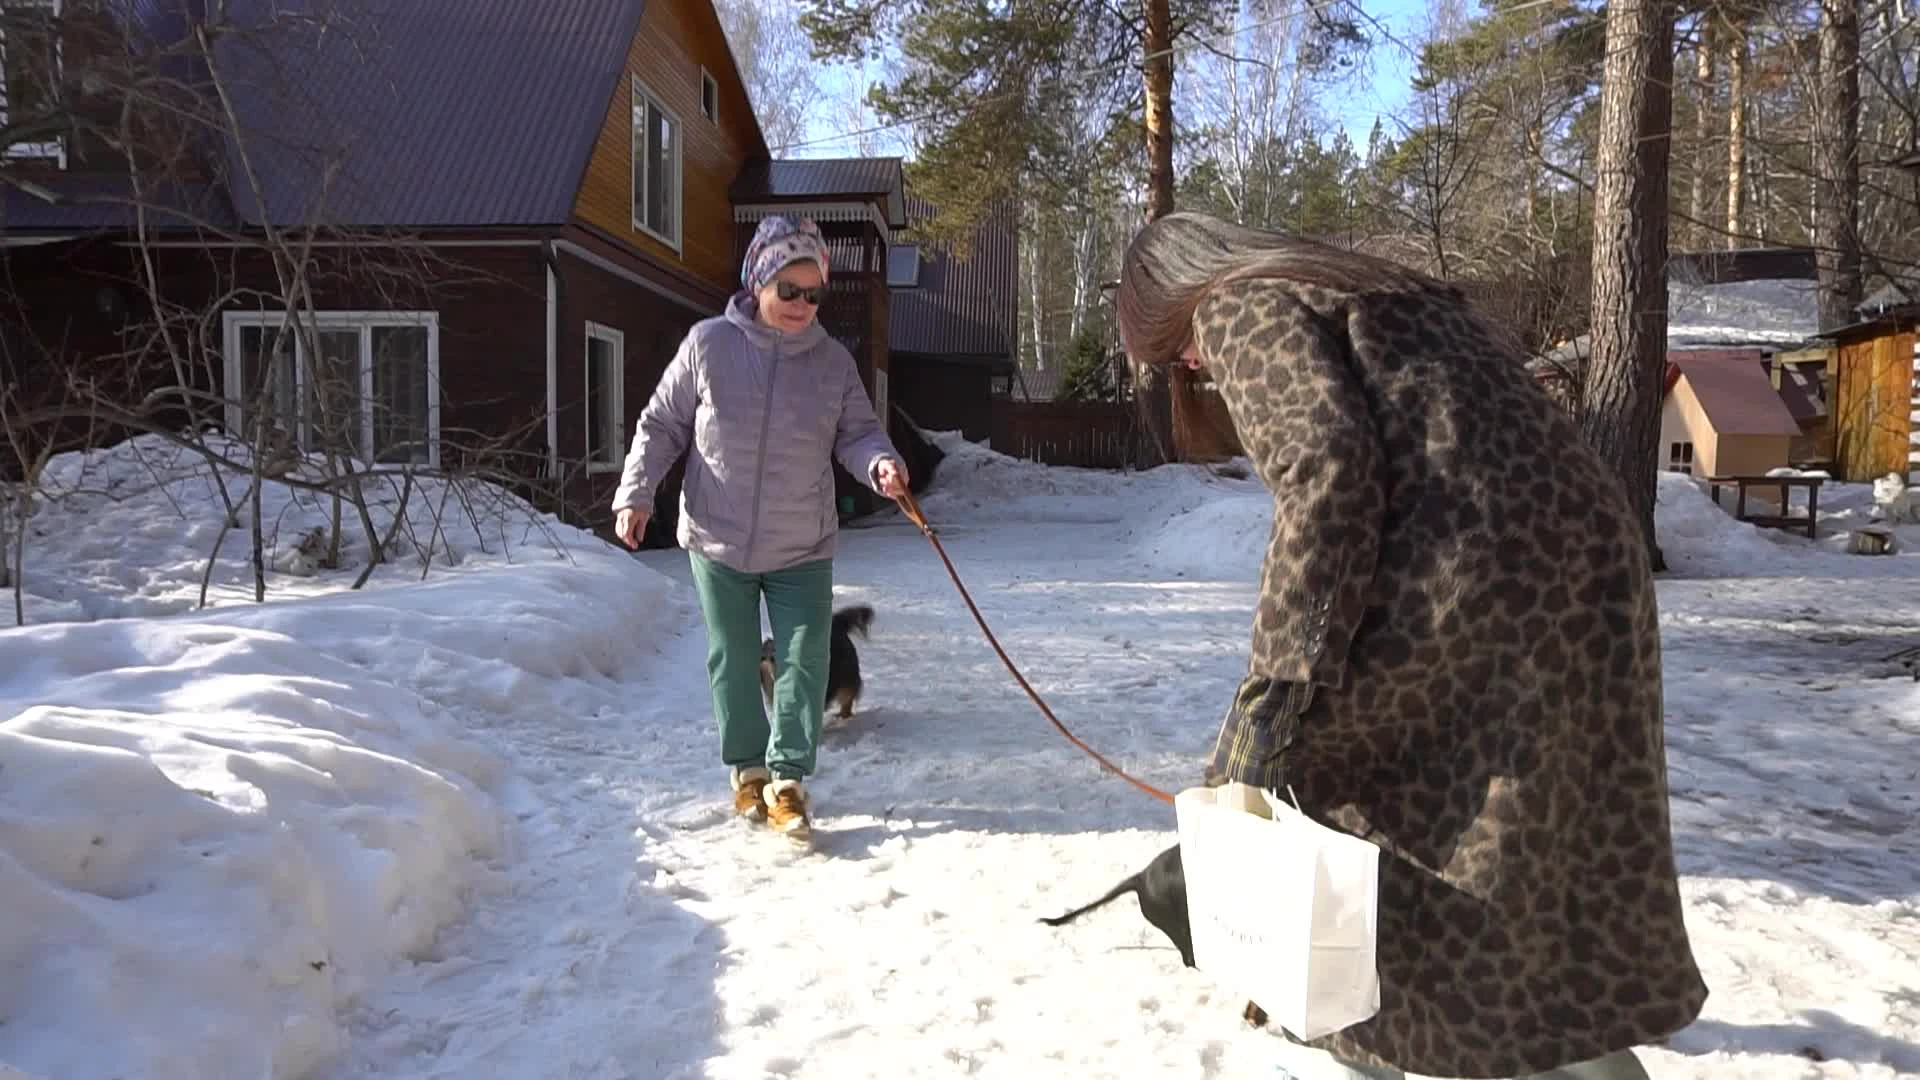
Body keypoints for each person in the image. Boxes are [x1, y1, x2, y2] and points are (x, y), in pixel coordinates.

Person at [1114, 213, 1708, 1080]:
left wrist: (1278, 687)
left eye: (1176, 358)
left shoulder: (1237, 303)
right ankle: (1576, 1053)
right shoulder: (1375, 288)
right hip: (1586, 571)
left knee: (1346, 807)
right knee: (1534, 848)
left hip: (1466, 576)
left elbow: (1327, 469)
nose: (1194, 368)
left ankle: (1382, 1035)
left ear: (1175, 305)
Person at [611, 215, 908, 843]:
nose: (803, 305)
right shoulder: (709, 345)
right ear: (758, 282)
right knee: (735, 657)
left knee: (805, 658)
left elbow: (857, 431)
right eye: (789, 290)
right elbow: (662, 424)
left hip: (802, 541)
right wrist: (636, 493)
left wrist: (880, 462)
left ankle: (789, 782)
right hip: (718, 539)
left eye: (814, 293)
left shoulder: (831, 363)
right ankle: (746, 769)